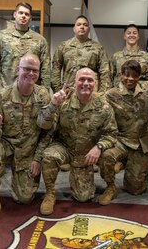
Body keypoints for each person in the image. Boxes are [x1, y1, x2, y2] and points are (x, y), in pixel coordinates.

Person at [0, 53, 51, 225]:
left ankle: (15, 176)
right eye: (27, 69)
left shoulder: (43, 96)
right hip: (6, 144)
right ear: (18, 70)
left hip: (29, 150)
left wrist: (38, 158)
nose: (31, 74)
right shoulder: (2, 96)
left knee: (24, 199)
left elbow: (49, 132)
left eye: (35, 70)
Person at [39, 67, 118, 215]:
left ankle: (111, 187)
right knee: (50, 155)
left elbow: (112, 134)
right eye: (82, 79)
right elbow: (43, 124)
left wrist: (99, 147)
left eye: (90, 80)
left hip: (87, 153)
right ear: (74, 82)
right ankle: (50, 193)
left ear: (95, 83)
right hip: (65, 147)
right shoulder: (62, 101)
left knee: (83, 197)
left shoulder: (104, 106)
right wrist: (53, 105)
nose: (85, 83)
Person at [102, 60, 148, 205]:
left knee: (135, 189)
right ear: (121, 75)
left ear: (139, 76)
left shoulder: (147, 88)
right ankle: (110, 187)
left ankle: (125, 164)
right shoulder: (111, 94)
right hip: (121, 141)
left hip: (141, 144)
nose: (130, 79)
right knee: (106, 156)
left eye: (134, 75)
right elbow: (95, 100)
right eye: (127, 75)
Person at [0, 2, 51, 98]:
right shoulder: (1, 36)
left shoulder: (40, 40)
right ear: (14, 15)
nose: (23, 16)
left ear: (30, 18)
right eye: (21, 13)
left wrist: (44, 91)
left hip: (31, 93)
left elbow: (46, 69)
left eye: (27, 14)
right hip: (5, 91)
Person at [51, 15, 111, 93]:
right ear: (74, 28)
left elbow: (105, 72)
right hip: (69, 92)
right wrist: (59, 90)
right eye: (79, 24)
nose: (82, 27)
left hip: (91, 92)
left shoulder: (98, 48)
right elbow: (55, 70)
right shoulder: (63, 46)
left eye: (85, 25)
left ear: (89, 29)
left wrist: (102, 94)